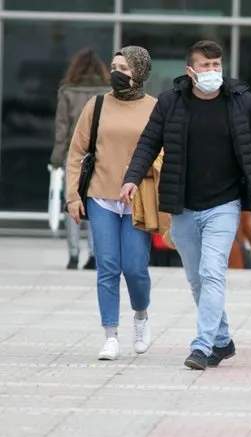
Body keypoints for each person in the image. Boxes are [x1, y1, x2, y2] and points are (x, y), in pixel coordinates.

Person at [121, 40, 251, 370]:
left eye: (217, 66)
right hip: (182, 204)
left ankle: (201, 346)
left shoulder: (244, 103)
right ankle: (223, 340)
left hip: (224, 204)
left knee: (212, 273)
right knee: (197, 279)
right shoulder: (171, 102)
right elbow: (148, 143)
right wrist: (132, 177)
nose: (212, 72)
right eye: (205, 66)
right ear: (190, 71)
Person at [65, 46, 156, 360]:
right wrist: (73, 197)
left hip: (138, 200)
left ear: (140, 73)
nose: (118, 72)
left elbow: (165, 153)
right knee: (107, 267)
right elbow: (77, 153)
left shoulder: (156, 108)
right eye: (115, 66)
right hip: (101, 196)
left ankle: (141, 314)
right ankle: (111, 336)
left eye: (126, 68)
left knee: (134, 268)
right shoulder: (97, 105)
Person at [50, 48, 110, 271]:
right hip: (100, 154)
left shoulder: (68, 91)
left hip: (73, 154)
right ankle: (94, 254)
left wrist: (56, 159)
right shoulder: (108, 91)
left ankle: (73, 254)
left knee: (72, 201)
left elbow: (62, 129)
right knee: (97, 203)